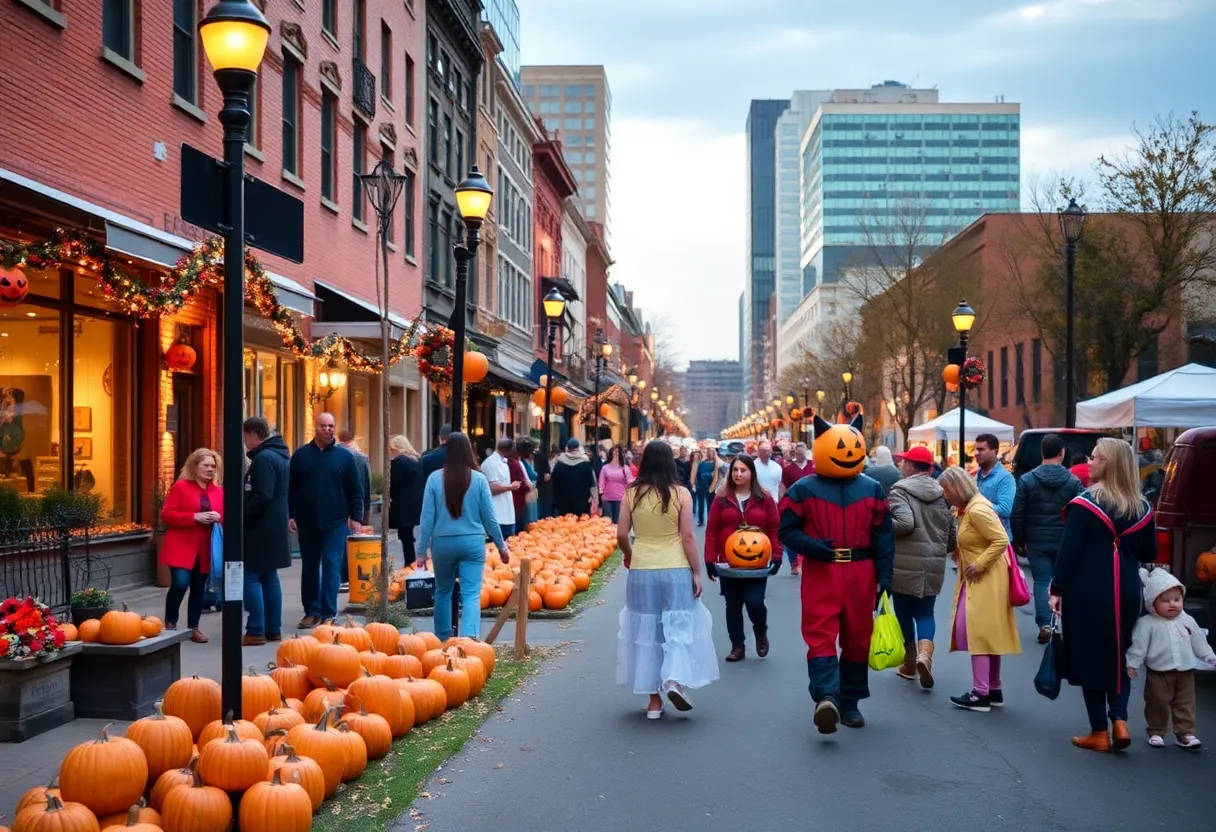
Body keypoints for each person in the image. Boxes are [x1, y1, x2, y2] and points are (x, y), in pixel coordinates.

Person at [779, 414, 894, 734]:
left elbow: (884, 535)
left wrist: (886, 577)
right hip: (822, 572)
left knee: (858, 638)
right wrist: (812, 546)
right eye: (840, 445)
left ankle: (851, 700)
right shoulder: (802, 490)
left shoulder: (873, 490)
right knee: (820, 636)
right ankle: (826, 697)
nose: (848, 450)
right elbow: (786, 530)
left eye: (854, 444)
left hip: (862, 572)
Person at [1051, 437, 1156, 753]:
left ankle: (1099, 730)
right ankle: (1120, 718)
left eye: (1095, 458)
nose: (1089, 462)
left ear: (1109, 464)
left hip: (1087, 590)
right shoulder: (1143, 508)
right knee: (1120, 652)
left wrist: (1057, 590)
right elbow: (1148, 551)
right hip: (1126, 588)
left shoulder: (1085, 504)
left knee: (1088, 656)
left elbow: (1069, 552)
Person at [616, 441, 718, 718]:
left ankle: (653, 702)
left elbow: (622, 534)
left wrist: (629, 555)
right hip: (675, 567)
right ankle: (674, 679)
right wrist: (696, 572)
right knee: (678, 627)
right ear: (671, 464)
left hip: (642, 568)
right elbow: (686, 537)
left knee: (646, 631)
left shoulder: (632, 494)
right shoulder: (680, 494)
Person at [937, 466, 1021, 712]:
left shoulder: (976, 509)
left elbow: (1001, 539)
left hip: (984, 577)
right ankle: (993, 689)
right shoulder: (971, 508)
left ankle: (980, 693)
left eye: (946, 491)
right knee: (987, 631)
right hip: (985, 575)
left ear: (955, 487)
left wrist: (980, 563)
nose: (945, 496)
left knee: (977, 631)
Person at [416, 432, 510, 640]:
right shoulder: (479, 480)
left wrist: (421, 552)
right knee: (471, 593)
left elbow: (426, 520)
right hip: (472, 542)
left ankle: (442, 638)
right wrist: (501, 546)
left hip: (442, 543)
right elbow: (489, 518)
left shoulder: (434, 479)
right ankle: (469, 638)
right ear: (469, 451)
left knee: (442, 591)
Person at [888, 446, 956, 688]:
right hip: (933, 563)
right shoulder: (942, 493)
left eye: (904, 462)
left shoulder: (900, 490)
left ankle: (909, 663)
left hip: (905, 563)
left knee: (904, 613)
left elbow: (905, 523)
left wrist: (883, 524)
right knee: (926, 612)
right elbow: (951, 535)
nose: (901, 465)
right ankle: (925, 656)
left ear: (910, 466)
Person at [1126, 567, 1216, 749]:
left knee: (1185, 703)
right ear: (1152, 603)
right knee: (1156, 702)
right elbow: (1139, 646)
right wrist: (1133, 663)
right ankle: (1156, 731)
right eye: (1165, 601)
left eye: (1177, 599)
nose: (1172, 604)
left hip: (1185, 671)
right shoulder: (1147, 623)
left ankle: (1185, 733)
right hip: (1159, 672)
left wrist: (1209, 656)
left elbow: (1198, 640)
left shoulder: (1187, 620)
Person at [289, 412, 363, 628]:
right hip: (307, 521)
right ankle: (311, 611)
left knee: (331, 565)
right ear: (316, 427)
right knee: (310, 567)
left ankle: (329, 613)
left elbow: (355, 489)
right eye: (323, 426)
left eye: (331, 426)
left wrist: (356, 517)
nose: (328, 430)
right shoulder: (301, 456)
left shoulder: (345, 457)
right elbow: (291, 488)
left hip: (336, 522)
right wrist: (290, 515)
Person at [705, 454, 781, 661]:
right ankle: (737, 645)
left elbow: (774, 528)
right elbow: (712, 529)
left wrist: (776, 554)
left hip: (757, 560)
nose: (738, 474)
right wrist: (710, 558)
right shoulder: (721, 499)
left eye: (743, 470)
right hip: (728, 562)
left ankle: (760, 631)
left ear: (751, 473)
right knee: (733, 604)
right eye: (735, 470)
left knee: (755, 602)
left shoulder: (764, 498)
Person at [1010, 433, 1083, 644]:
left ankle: (1044, 623)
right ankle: (1064, 624)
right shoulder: (1073, 482)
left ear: (1042, 452)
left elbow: (1017, 513)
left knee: (1042, 581)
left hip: (1036, 540)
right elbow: (1080, 512)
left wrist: (1020, 540)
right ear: (1062, 453)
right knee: (1065, 582)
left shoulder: (1027, 480)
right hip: (1064, 540)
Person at [160, 448, 223, 643]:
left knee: (199, 587)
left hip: (206, 547)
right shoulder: (181, 487)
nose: (210, 469)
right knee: (179, 583)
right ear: (194, 466)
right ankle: (170, 622)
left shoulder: (218, 491)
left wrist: (218, 518)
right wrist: (194, 517)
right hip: (181, 544)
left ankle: (193, 627)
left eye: (213, 466)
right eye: (206, 465)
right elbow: (166, 514)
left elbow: (226, 516)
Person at [241, 418, 290, 646]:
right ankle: (273, 628)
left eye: (245, 436)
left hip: (259, 528)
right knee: (269, 576)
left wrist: (241, 516)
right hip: (275, 526)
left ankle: (256, 629)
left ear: (253, 434)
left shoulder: (263, 459)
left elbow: (262, 495)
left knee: (250, 575)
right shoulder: (279, 455)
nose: (244, 441)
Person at [337, 430, 372, 592]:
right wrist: (364, 513)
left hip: (342, 509)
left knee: (343, 543)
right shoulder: (361, 458)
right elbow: (366, 487)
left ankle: (344, 577)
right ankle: (350, 576)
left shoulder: (339, 457)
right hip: (357, 508)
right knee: (354, 544)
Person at [388, 435, 425, 566]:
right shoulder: (417, 460)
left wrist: (389, 495)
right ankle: (412, 561)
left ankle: (410, 562)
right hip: (415, 502)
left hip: (402, 503)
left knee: (405, 535)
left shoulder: (399, 461)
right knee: (408, 534)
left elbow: (394, 483)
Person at [973, 433, 1015, 540]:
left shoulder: (1005, 478)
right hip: (977, 540)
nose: (976, 453)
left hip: (997, 542)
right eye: (976, 449)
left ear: (995, 451)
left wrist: (975, 507)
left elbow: (1005, 510)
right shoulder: (976, 476)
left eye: (981, 449)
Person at [481, 437, 520, 541]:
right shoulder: (490, 463)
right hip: (496, 514)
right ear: (508, 450)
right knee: (495, 548)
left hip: (507, 514)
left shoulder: (503, 462)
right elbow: (492, 488)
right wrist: (510, 487)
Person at [551, 437, 598, 516]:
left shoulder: (559, 463)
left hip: (563, 502)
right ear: (578, 448)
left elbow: (554, 481)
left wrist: (555, 499)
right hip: (581, 503)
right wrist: (595, 500)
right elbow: (592, 483)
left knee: (564, 525)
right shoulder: (585, 463)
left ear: (567, 448)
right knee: (581, 525)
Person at [597, 445, 633, 524]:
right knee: (607, 522)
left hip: (620, 498)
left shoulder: (625, 468)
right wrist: (601, 494)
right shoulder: (605, 468)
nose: (615, 456)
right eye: (614, 454)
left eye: (617, 454)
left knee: (618, 522)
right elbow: (601, 481)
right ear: (610, 455)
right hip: (607, 498)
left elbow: (630, 482)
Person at [506, 441, 533, 533]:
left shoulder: (504, 463)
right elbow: (521, 482)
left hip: (508, 500)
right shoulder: (515, 464)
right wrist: (528, 487)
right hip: (517, 500)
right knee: (519, 526)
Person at [517, 438, 540, 529]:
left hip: (532, 491)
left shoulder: (530, 461)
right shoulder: (521, 463)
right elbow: (528, 477)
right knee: (529, 518)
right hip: (528, 492)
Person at [692, 449, 715, 527]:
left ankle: (710, 520)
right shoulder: (702, 463)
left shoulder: (715, 464)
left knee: (710, 505)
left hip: (710, 487)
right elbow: (696, 474)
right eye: (708, 452)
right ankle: (701, 520)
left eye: (711, 452)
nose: (709, 454)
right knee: (701, 504)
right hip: (701, 486)